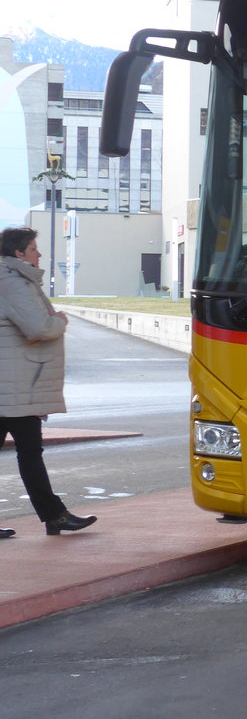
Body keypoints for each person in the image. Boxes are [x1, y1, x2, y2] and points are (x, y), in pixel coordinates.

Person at [0, 226, 97, 537]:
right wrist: (60, 322)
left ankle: (54, 515)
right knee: (30, 453)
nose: (39, 254)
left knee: (31, 452)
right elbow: (38, 327)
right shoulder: (11, 281)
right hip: (11, 385)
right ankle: (55, 516)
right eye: (33, 249)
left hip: (16, 385)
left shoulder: (15, 279)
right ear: (19, 253)